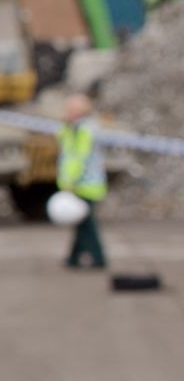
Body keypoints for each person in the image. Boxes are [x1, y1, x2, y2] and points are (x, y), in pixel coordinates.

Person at [58, 93, 107, 270]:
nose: (67, 112)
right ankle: (74, 257)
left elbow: (78, 157)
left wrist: (70, 182)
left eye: (71, 109)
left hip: (85, 184)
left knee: (86, 225)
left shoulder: (83, 130)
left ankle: (98, 257)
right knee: (81, 224)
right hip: (83, 183)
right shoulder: (74, 128)